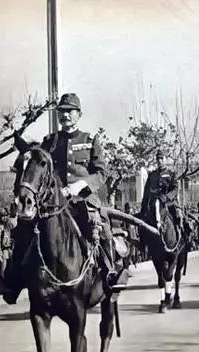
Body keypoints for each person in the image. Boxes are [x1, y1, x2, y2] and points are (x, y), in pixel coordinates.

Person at [13, 92, 126, 291]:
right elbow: (37, 163)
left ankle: (110, 273)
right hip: (54, 203)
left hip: (83, 200)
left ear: (79, 114)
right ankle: (15, 279)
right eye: (62, 112)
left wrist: (81, 185)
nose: (65, 116)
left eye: (70, 112)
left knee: (103, 230)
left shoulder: (90, 140)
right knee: (25, 230)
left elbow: (101, 173)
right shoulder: (49, 141)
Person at [141, 150, 186, 234]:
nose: (159, 161)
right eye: (158, 159)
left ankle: (185, 239)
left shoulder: (171, 174)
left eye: (162, 158)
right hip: (154, 204)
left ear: (166, 160)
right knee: (143, 225)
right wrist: (143, 208)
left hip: (169, 203)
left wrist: (167, 197)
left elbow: (175, 189)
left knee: (180, 218)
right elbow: (146, 193)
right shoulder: (152, 175)